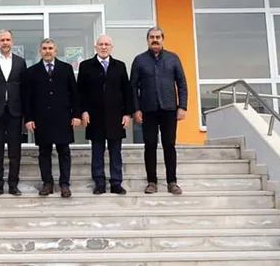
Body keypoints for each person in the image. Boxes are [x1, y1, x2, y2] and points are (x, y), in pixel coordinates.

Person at [130, 27, 188, 195]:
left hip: (169, 109)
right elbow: (133, 87)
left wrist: (182, 106)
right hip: (147, 110)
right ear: (147, 40)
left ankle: (172, 182)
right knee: (150, 145)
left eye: (157, 37)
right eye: (151, 37)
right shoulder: (139, 60)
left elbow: (182, 84)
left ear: (163, 39)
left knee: (169, 145)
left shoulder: (173, 58)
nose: (155, 40)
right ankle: (151, 182)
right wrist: (136, 109)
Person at [23, 38, 81, 198]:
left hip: (63, 117)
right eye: (44, 48)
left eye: (50, 48)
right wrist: (29, 118)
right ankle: (47, 183)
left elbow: (74, 93)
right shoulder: (32, 71)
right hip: (42, 118)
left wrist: (76, 114)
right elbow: (28, 98)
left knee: (64, 151)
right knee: (44, 152)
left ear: (55, 51)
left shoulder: (66, 68)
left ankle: (64, 184)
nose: (47, 51)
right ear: (40, 51)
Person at [77, 35, 134, 195]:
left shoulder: (119, 66)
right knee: (97, 151)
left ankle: (116, 183)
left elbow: (127, 91)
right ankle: (99, 183)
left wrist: (127, 113)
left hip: (116, 117)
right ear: (96, 47)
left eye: (107, 44)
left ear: (111, 47)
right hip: (94, 116)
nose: (104, 47)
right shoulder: (86, 66)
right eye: (101, 44)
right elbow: (80, 92)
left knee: (115, 152)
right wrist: (83, 111)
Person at [0, 30, 27, 196]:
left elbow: (25, 88)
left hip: (15, 112)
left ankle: (13, 185)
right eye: (2, 40)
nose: (5, 43)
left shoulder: (20, 62)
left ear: (12, 42)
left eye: (8, 39)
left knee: (15, 151)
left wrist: (26, 113)